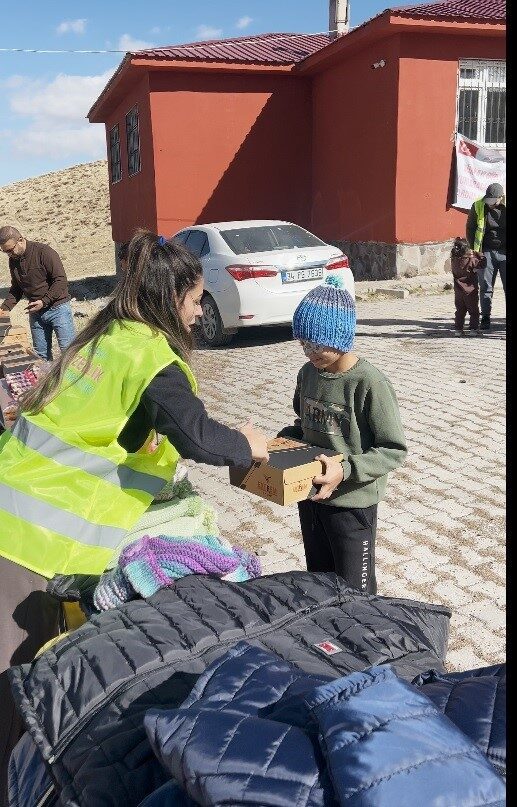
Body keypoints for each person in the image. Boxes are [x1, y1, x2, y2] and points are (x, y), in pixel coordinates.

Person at [0, 229, 268, 804]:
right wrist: (249, 446)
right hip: (26, 537)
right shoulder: (149, 357)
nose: (198, 313)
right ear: (171, 299)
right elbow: (196, 435)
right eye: (195, 299)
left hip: (15, 507)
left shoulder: (107, 336)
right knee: (14, 686)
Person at [279, 274, 407, 595]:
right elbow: (305, 425)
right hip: (311, 497)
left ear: (339, 337)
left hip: (352, 504)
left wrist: (346, 468)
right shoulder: (308, 374)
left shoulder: (369, 383)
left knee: (356, 592)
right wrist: (281, 443)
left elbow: (393, 450)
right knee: (319, 582)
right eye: (303, 344)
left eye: (316, 344)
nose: (309, 353)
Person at [0, 226, 76, 360]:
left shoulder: (44, 252)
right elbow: (17, 288)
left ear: (20, 240)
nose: (9, 254)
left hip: (58, 309)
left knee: (68, 352)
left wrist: (44, 301)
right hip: (36, 312)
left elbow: (60, 280)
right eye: (5, 252)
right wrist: (4, 309)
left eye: (10, 250)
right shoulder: (13, 260)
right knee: (40, 356)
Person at [466, 182, 506, 331]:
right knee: (485, 286)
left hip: (505, 252)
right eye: (488, 200)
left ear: (501, 197)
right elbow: (470, 228)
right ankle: (485, 318)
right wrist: (475, 250)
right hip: (486, 251)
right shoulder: (478, 205)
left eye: (493, 201)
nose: (490, 204)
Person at [450, 237, 486, 337]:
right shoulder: (471, 260)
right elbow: (483, 263)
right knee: (474, 311)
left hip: (458, 291)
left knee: (460, 311)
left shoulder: (454, 260)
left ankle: (458, 330)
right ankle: (473, 329)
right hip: (470, 290)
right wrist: (476, 253)